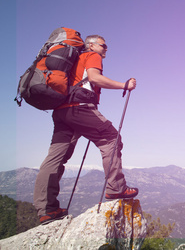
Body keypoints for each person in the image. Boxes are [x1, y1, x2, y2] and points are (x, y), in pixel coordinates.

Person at [33, 34, 138, 225]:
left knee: (56, 157)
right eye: (103, 45)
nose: (106, 49)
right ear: (91, 45)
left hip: (61, 112)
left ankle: (47, 210)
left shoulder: (71, 63)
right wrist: (124, 85)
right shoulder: (91, 55)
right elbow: (94, 78)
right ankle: (116, 187)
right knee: (111, 138)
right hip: (79, 108)